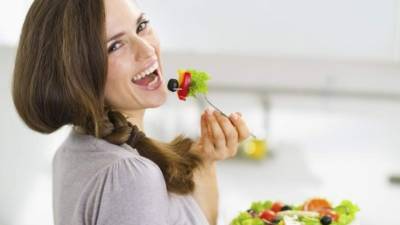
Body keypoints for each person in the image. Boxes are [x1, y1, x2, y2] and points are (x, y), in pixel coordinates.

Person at [12, 0, 250, 224]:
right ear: (78, 74)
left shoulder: (73, 148)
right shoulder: (130, 176)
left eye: (141, 26)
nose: (147, 50)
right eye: (115, 46)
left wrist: (204, 161)